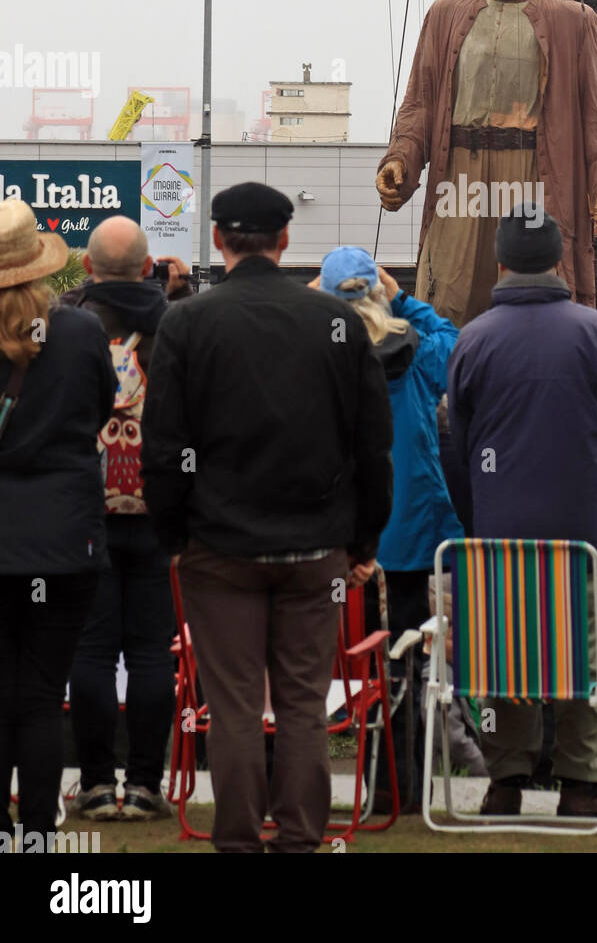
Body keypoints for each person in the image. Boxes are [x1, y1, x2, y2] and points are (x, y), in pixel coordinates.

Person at [141, 183, 394, 853]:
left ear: (220, 240)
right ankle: (300, 840)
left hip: (218, 547)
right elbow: (371, 443)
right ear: (285, 241)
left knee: (233, 709)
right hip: (315, 548)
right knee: (304, 704)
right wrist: (362, 538)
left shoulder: (188, 323)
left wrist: (173, 533)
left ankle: (237, 841)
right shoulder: (334, 327)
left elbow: (163, 445)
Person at [376, 0, 597, 326]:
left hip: (534, 174)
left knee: (535, 297)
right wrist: (400, 157)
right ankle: (449, 384)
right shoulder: (445, 16)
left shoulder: (575, 23)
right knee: (448, 295)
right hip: (460, 175)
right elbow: (419, 103)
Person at [448, 208, 597, 818]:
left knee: (502, 652)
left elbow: (458, 448)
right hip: (587, 536)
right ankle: (581, 786)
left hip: (501, 537)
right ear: (558, 262)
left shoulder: (473, 339)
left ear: (499, 264)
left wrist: (479, 520)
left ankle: (506, 782)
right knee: (587, 654)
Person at [316, 246, 462, 812]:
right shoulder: (418, 346)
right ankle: (402, 783)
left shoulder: (319, 352)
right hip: (411, 529)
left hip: (341, 532)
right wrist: (406, 300)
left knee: (349, 658)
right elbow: (455, 349)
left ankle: (366, 777)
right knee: (408, 662)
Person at [62, 217, 190, 822]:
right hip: (158, 508)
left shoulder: (66, 325)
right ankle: (142, 786)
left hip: (83, 511)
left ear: (86, 268)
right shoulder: (177, 326)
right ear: (148, 268)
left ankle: (91, 782)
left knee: (88, 650)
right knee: (148, 652)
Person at [0, 201, 115, 847]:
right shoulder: (79, 333)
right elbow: (99, 411)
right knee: (43, 693)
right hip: (64, 537)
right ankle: (40, 832)